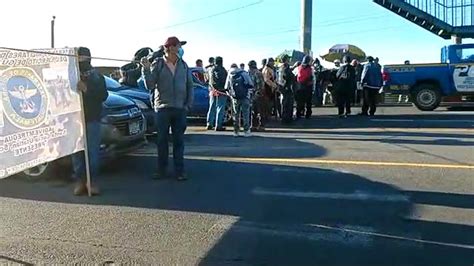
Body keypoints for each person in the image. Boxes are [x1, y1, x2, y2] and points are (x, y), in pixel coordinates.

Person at [142, 36, 194, 181]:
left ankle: (180, 171)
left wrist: (188, 105)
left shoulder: (183, 65)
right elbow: (150, 85)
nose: (180, 49)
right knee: (162, 141)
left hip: (180, 108)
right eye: (178, 46)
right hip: (163, 108)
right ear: (170, 47)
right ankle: (161, 170)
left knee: (179, 141)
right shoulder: (158, 64)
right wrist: (145, 69)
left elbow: (190, 85)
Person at [72, 47, 108, 196]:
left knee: (93, 153)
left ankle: (91, 181)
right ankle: (80, 181)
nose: (80, 61)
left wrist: (86, 89)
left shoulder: (97, 77)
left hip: (92, 119)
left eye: (82, 58)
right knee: (77, 152)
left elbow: (103, 95)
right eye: (78, 58)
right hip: (75, 121)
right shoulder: (71, 76)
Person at [226, 63, 254, 137]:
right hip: (245, 96)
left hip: (235, 98)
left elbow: (226, 87)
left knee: (236, 114)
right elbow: (251, 84)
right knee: (245, 114)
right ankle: (246, 131)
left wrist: (231, 95)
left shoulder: (229, 74)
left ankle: (236, 131)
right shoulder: (243, 73)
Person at [207, 56, 228, 131]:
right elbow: (226, 81)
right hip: (221, 91)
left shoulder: (210, 69)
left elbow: (207, 80)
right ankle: (218, 125)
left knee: (211, 107)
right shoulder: (223, 70)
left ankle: (209, 124)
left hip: (212, 91)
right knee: (220, 108)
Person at [248, 60, 266, 131]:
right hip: (254, 94)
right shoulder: (254, 73)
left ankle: (259, 125)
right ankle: (256, 125)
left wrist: (258, 93)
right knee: (255, 111)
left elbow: (260, 84)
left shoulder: (255, 73)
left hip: (256, 94)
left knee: (258, 111)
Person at [278, 55, 296, 124]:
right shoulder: (284, 67)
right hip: (286, 87)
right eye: (288, 59)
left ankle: (286, 118)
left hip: (284, 87)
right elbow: (285, 77)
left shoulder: (282, 67)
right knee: (287, 103)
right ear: (286, 60)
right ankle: (286, 119)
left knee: (286, 103)